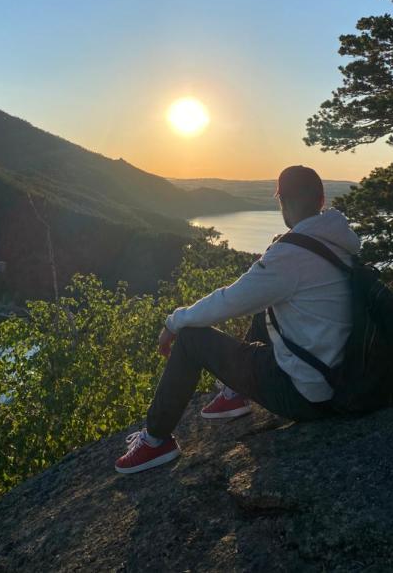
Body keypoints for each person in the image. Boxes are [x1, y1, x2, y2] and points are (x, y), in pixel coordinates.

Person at [115, 165, 359, 474]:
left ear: (281, 201)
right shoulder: (338, 241)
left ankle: (155, 441)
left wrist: (174, 321)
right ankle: (235, 393)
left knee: (191, 338)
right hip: (339, 374)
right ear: (322, 199)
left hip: (309, 394)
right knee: (266, 303)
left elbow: (228, 300)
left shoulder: (290, 255)